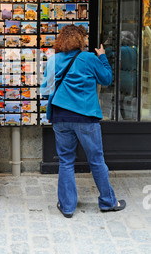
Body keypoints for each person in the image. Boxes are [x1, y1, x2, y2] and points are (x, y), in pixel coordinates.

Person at [41, 24, 126, 218]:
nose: (87, 40)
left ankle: (67, 206)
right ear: (80, 40)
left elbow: (46, 89)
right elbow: (106, 79)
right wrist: (102, 56)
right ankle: (108, 201)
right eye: (85, 37)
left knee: (65, 161)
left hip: (61, 118)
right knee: (96, 160)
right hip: (85, 118)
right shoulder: (89, 58)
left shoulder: (53, 60)